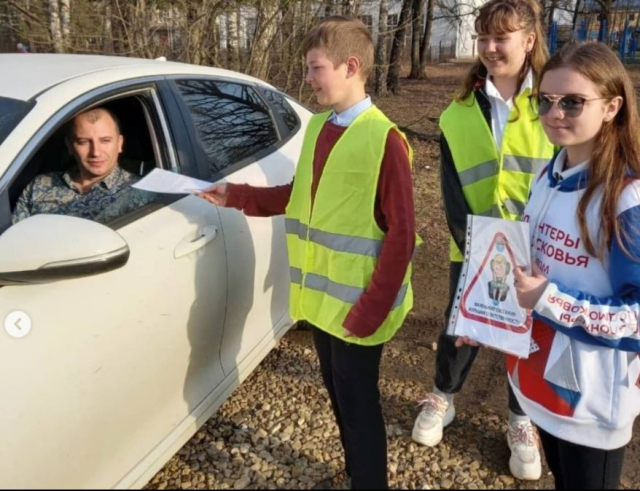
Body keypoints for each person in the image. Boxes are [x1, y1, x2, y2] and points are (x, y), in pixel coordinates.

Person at [196, 16, 418, 490]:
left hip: (360, 311)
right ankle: (358, 471)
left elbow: (401, 237)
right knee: (340, 397)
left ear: (350, 66)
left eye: (316, 68)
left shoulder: (387, 141)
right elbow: (299, 196)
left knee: (359, 405)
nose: (309, 78)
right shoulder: (318, 127)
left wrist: (370, 312)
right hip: (322, 307)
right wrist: (235, 195)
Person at [411, 0, 554, 481]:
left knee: (527, 335)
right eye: (484, 38)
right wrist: (472, 246)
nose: (491, 48)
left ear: (529, 40)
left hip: (538, 252)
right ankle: (443, 396)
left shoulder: (553, 103)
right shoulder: (458, 112)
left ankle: (521, 418)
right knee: (462, 320)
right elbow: (452, 186)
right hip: (470, 244)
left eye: (502, 37)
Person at [511, 41, 640, 490]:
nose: (554, 113)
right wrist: (488, 316)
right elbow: (535, 267)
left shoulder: (626, 198)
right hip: (539, 383)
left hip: (592, 406)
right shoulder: (550, 173)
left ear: (611, 107)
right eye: (544, 101)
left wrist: (549, 301)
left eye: (572, 101)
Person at [12, 107, 153, 225]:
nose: (95, 152)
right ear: (69, 146)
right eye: (84, 142)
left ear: (119, 143)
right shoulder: (40, 185)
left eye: (105, 141)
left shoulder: (139, 194)